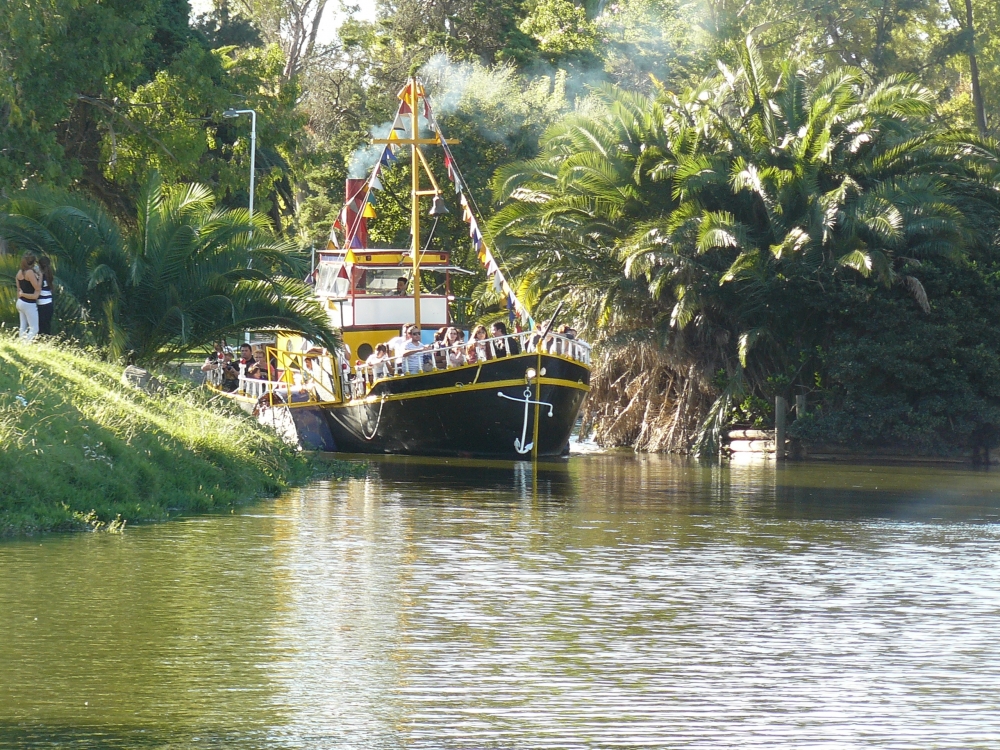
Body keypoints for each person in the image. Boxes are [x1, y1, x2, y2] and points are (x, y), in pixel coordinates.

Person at [15, 253, 41, 342]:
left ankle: (21, 341)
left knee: (23, 326)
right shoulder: (29, 272)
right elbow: (37, 287)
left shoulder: (19, 272)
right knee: (34, 329)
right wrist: (40, 277)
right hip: (28, 303)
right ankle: (26, 344)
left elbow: (19, 289)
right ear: (33, 263)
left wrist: (22, 294)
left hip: (20, 301)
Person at [36, 256, 54, 335]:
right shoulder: (49, 275)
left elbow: (37, 288)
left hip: (42, 304)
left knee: (41, 326)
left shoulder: (40, 277)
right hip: (49, 303)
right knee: (47, 325)